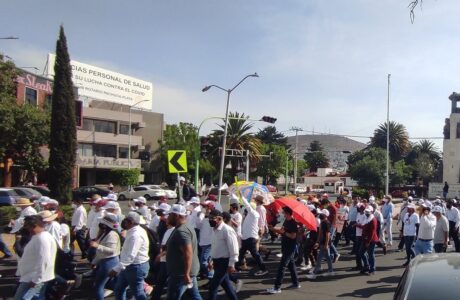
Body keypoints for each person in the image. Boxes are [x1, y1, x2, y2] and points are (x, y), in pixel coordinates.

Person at [14, 215, 57, 300]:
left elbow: (44, 260)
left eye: (27, 226)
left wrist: (37, 280)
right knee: (33, 298)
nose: (26, 228)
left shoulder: (42, 239)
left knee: (22, 298)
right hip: (34, 277)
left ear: (34, 225)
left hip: (33, 279)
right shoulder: (39, 237)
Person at [109, 212, 150, 300]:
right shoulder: (133, 231)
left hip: (135, 267)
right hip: (129, 266)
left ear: (131, 222)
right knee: (119, 289)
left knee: (138, 293)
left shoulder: (136, 235)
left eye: (126, 220)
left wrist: (116, 269)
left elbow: (131, 256)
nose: (124, 222)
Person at [165, 204, 202, 300]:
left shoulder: (182, 231)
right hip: (185, 272)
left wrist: (186, 274)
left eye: (169, 215)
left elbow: (188, 253)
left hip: (181, 274)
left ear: (176, 216)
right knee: (195, 296)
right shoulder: (185, 227)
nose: (167, 217)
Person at [266, 206, 300, 294]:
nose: (282, 214)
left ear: (287, 213)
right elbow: (282, 231)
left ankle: (277, 287)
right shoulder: (286, 221)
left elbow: (293, 236)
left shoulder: (293, 223)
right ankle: (296, 283)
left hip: (290, 248)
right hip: (285, 247)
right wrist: (273, 229)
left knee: (282, 267)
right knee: (291, 266)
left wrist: (284, 232)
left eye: (284, 212)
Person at [208, 209, 239, 300]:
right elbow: (215, 246)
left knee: (213, 286)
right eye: (209, 218)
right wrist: (212, 260)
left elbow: (234, 249)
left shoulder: (227, 230)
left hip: (224, 262)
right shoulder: (214, 229)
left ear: (219, 218)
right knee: (227, 286)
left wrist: (231, 264)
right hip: (217, 261)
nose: (210, 220)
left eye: (212, 218)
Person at [90, 214, 121, 300]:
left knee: (98, 286)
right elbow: (101, 253)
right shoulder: (106, 233)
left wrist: (97, 246)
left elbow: (112, 250)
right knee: (114, 284)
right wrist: (94, 262)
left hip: (109, 262)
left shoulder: (112, 234)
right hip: (108, 261)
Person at [237, 197, 268, 276]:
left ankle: (263, 269)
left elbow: (247, 205)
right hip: (247, 237)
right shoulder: (250, 214)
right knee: (241, 253)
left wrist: (242, 197)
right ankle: (238, 266)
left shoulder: (253, 213)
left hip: (251, 238)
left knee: (255, 254)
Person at [306, 209, 334, 279]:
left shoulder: (326, 223)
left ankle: (315, 272)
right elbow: (320, 233)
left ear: (325, 215)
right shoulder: (323, 222)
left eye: (322, 214)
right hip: (323, 242)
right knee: (326, 257)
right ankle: (330, 271)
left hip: (325, 242)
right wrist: (317, 242)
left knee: (320, 257)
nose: (320, 215)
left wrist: (326, 244)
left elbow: (328, 234)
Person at [360, 206, 379, 275]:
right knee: (361, 253)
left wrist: (368, 242)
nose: (366, 213)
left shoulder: (373, 220)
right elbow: (363, 226)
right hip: (365, 239)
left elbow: (372, 232)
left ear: (371, 212)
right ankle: (366, 266)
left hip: (371, 240)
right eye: (366, 212)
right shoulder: (366, 218)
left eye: (368, 212)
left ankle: (372, 269)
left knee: (371, 254)